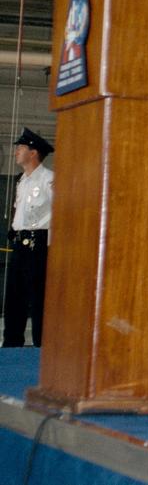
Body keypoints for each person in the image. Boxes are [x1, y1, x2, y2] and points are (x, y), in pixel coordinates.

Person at [5, 128, 53, 348]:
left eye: (21, 148)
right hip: (20, 243)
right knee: (14, 297)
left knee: (38, 298)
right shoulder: (21, 181)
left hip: (39, 243)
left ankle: (40, 347)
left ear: (33, 153)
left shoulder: (49, 180)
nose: (16, 152)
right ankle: (11, 346)